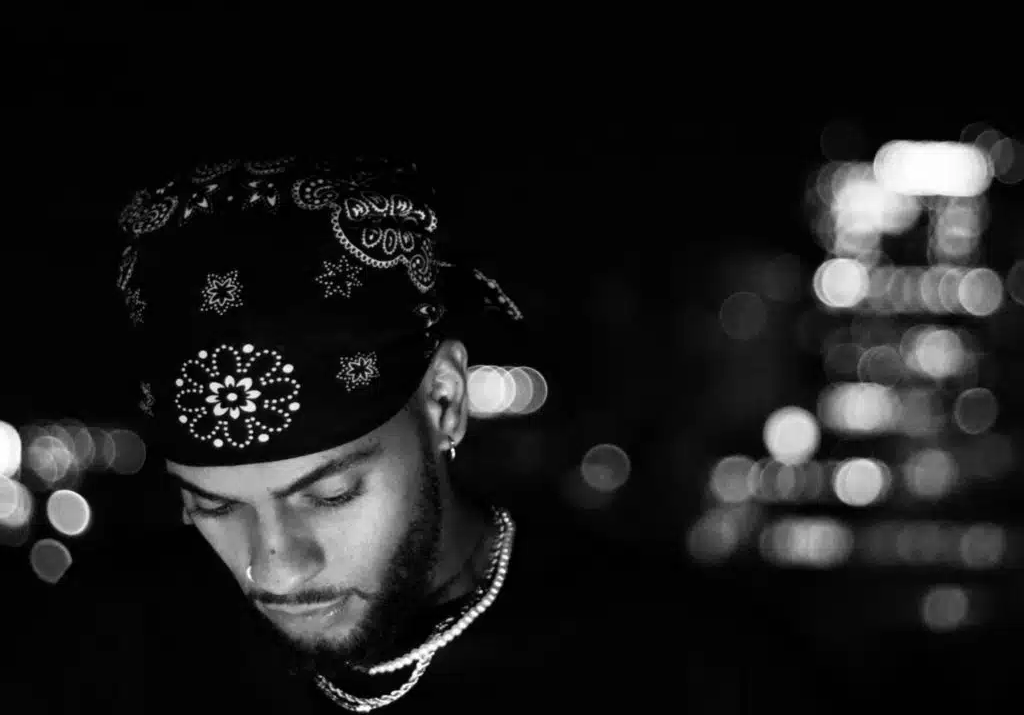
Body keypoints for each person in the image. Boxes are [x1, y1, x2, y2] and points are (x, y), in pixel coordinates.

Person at [29, 152, 825, 713]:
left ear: (443, 402)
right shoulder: (108, 659)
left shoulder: (688, 672)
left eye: (330, 493)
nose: (274, 565)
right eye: (214, 506)